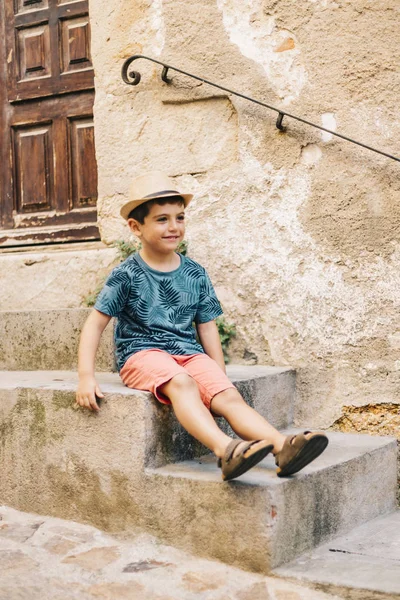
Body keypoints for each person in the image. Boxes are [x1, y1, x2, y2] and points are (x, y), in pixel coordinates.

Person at [76, 171, 328, 481]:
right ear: (135, 227)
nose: (174, 227)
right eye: (162, 219)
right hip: (142, 354)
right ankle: (226, 451)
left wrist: (217, 376)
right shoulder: (126, 275)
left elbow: (207, 327)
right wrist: (86, 377)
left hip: (188, 353)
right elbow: (95, 324)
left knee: (228, 396)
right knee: (182, 383)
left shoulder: (195, 273)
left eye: (179, 218)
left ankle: (281, 447)